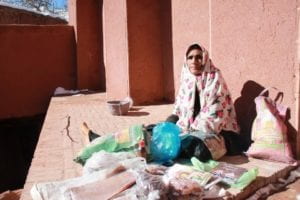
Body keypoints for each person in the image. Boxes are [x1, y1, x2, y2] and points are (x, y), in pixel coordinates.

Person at [166, 43, 242, 161]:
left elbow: (216, 113)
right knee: (159, 132)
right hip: (190, 129)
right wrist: (169, 125)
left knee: (198, 149)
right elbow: (178, 110)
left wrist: (192, 132)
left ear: (205, 59)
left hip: (216, 130)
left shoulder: (215, 78)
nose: (194, 61)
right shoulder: (187, 79)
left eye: (198, 57)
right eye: (190, 57)